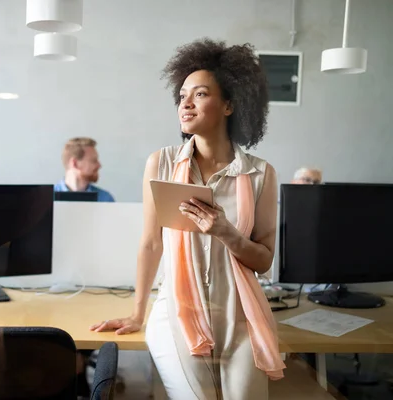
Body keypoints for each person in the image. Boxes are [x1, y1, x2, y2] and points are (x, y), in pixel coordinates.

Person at [90, 38, 285, 399]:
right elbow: (151, 243)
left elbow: (264, 258)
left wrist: (227, 232)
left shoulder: (261, 174)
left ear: (229, 104)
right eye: (182, 96)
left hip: (241, 318)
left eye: (199, 94)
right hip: (177, 314)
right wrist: (137, 313)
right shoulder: (161, 163)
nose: (186, 104)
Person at [54, 137, 115, 202]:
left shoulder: (105, 199)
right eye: (93, 160)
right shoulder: (46, 199)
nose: (99, 165)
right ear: (75, 163)